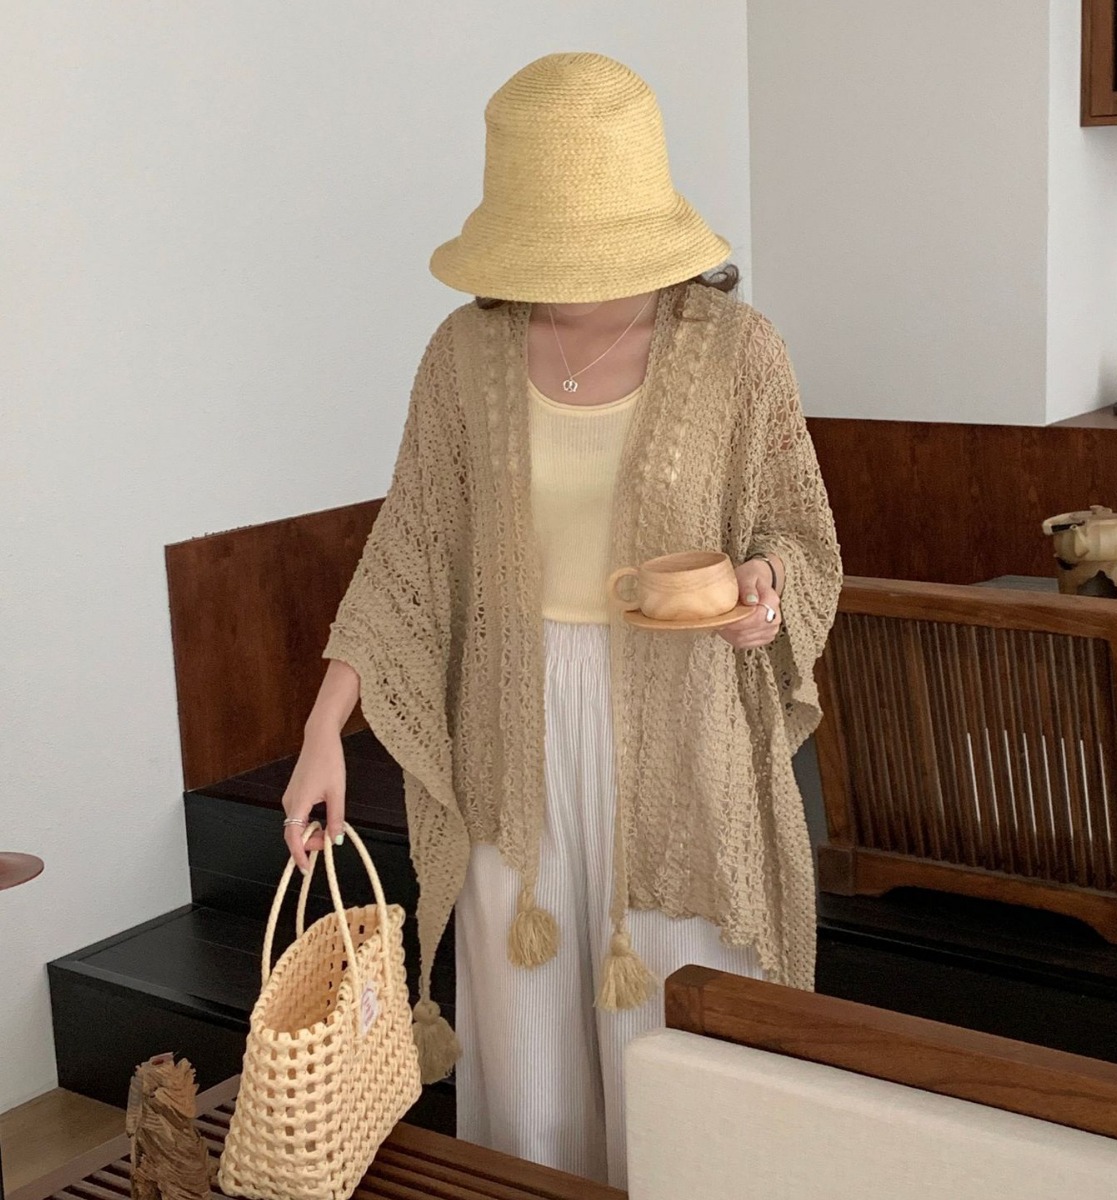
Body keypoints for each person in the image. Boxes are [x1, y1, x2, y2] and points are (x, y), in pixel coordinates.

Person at [279, 51, 842, 1189]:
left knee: (680, 1027)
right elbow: (407, 553)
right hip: (512, 720)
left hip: (683, 730)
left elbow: (800, 532)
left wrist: (766, 592)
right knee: (523, 1037)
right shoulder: (464, 356)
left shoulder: (740, 353)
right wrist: (322, 730)